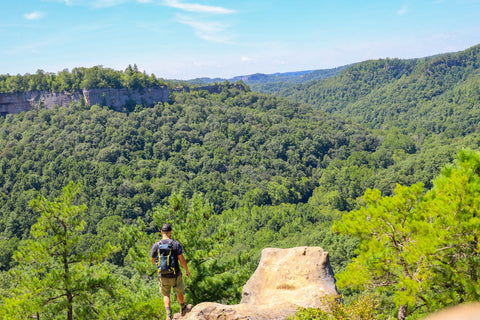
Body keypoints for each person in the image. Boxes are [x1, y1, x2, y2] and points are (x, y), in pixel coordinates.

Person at [151, 223, 191, 320]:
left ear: (161, 232)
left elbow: (152, 260)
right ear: (170, 232)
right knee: (179, 291)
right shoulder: (175, 244)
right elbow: (181, 259)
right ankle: (183, 308)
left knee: (166, 294)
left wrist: (161, 265)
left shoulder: (156, 245)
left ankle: (169, 315)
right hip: (175, 274)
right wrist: (186, 270)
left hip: (163, 275)